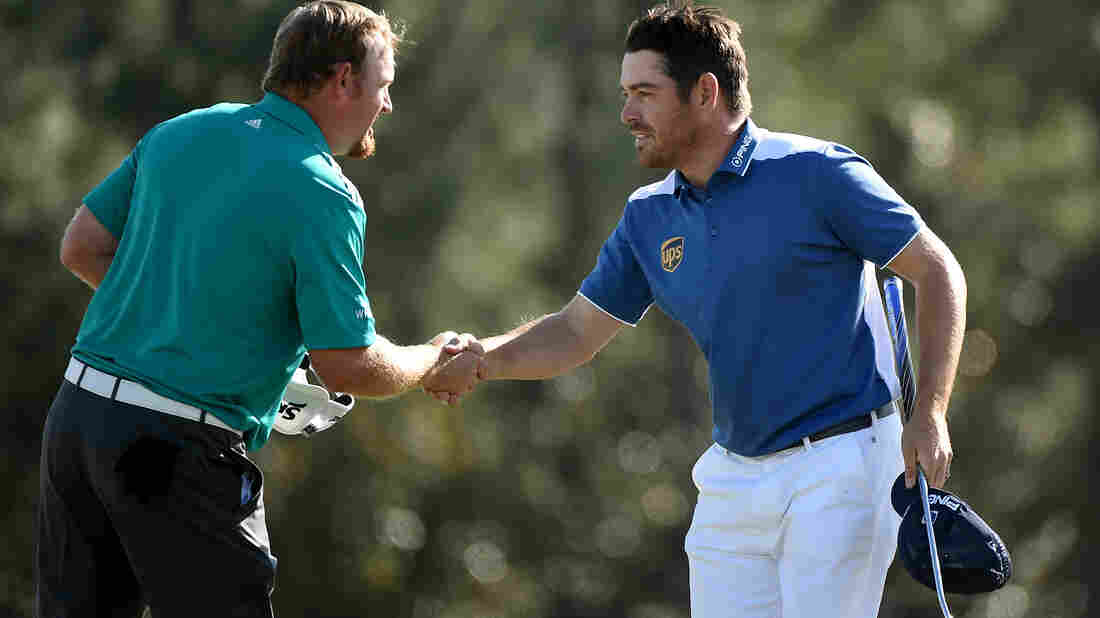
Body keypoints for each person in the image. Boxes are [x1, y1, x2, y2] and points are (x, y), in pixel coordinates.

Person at [445, 2, 967, 616]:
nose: (627, 113)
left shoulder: (817, 173)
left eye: (645, 94)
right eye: (625, 94)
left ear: (705, 93)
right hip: (733, 476)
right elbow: (575, 331)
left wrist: (930, 412)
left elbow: (937, 271)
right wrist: (483, 359)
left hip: (841, 464)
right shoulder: (648, 215)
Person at [37, 2, 480, 616]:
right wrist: (430, 359)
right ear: (343, 80)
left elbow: (82, 247)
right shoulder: (323, 189)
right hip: (179, 448)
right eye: (383, 85)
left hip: (77, 419)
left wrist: (193, 325)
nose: (386, 105)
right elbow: (348, 364)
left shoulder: (182, 130)